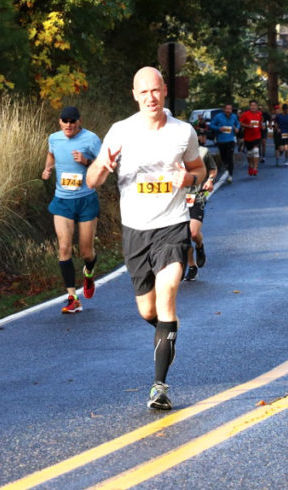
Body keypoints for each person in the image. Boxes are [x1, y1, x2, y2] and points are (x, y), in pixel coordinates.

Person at [87, 67, 206, 411]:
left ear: (164, 91)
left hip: (172, 225)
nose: (150, 98)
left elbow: (198, 169)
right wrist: (104, 167)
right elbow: (92, 180)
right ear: (135, 95)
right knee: (148, 310)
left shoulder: (183, 132)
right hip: (136, 230)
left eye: (155, 90)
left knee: (167, 293)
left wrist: (189, 179)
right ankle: (166, 333)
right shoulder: (120, 131)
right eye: (143, 93)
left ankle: (159, 386)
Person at [41, 106, 102, 313]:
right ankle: (72, 297)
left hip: (86, 200)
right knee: (64, 248)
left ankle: (89, 271)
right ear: (60, 122)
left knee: (86, 251)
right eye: (64, 121)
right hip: (63, 200)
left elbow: (103, 165)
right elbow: (51, 155)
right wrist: (47, 168)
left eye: (72, 121)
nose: (68, 125)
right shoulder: (54, 138)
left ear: (79, 121)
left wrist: (86, 162)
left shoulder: (91, 139)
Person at [184, 128, 218, 281]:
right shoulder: (171, 153)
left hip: (197, 195)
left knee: (193, 233)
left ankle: (199, 246)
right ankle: (191, 266)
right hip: (176, 198)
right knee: (182, 236)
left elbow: (212, 169)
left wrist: (210, 180)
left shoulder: (203, 152)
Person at [208, 104, 240, 183]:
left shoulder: (234, 116)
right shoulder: (218, 116)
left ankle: (230, 175)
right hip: (221, 140)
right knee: (224, 157)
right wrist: (219, 128)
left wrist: (237, 128)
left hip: (231, 140)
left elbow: (238, 124)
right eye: (227, 109)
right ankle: (226, 166)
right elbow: (211, 125)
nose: (229, 110)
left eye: (230, 109)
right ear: (224, 109)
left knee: (230, 157)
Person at [238, 100, 264, 176]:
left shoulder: (259, 114)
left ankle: (255, 168)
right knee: (249, 154)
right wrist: (247, 126)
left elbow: (261, 122)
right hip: (248, 137)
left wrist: (262, 126)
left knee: (256, 151)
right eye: (252, 105)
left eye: (255, 105)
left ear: (257, 106)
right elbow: (240, 123)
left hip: (257, 136)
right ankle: (250, 165)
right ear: (249, 106)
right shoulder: (245, 114)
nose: (253, 107)